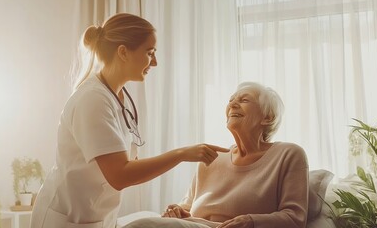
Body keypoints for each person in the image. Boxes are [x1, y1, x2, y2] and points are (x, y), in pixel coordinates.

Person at [30, 13, 228, 228]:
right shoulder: (93, 99)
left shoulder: (118, 96)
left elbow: (124, 165)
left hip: (98, 217)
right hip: (66, 219)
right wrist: (181, 154)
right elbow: (119, 175)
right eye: (149, 52)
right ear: (123, 52)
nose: (155, 61)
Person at [123, 82, 309, 228]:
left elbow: (295, 218)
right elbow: (187, 207)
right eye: (231, 100)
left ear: (267, 117)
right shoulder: (211, 158)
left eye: (244, 100)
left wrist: (251, 221)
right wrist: (177, 211)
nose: (232, 104)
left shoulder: (288, 154)